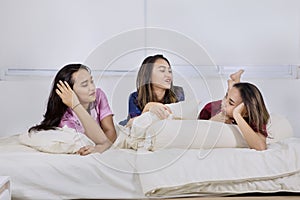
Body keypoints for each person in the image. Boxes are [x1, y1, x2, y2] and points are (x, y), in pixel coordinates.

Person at [28, 64, 117, 155]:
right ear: (68, 92)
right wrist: (75, 105)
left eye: (92, 81)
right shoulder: (66, 119)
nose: (92, 88)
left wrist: (102, 147)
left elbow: (110, 131)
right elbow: (92, 141)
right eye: (85, 84)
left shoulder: (98, 95)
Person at [198, 70, 270, 151]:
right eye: (226, 97)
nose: (225, 103)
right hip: (217, 107)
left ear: (246, 112)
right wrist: (212, 121)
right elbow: (198, 132)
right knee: (228, 100)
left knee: (233, 98)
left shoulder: (254, 118)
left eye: (231, 103)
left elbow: (260, 146)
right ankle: (233, 85)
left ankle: (233, 84)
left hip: (239, 110)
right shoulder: (210, 109)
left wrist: (237, 115)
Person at [121, 54, 185, 127]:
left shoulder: (178, 93)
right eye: (162, 70)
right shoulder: (135, 97)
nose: (168, 75)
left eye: (169, 71)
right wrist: (148, 107)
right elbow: (133, 127)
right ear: (148, 75)